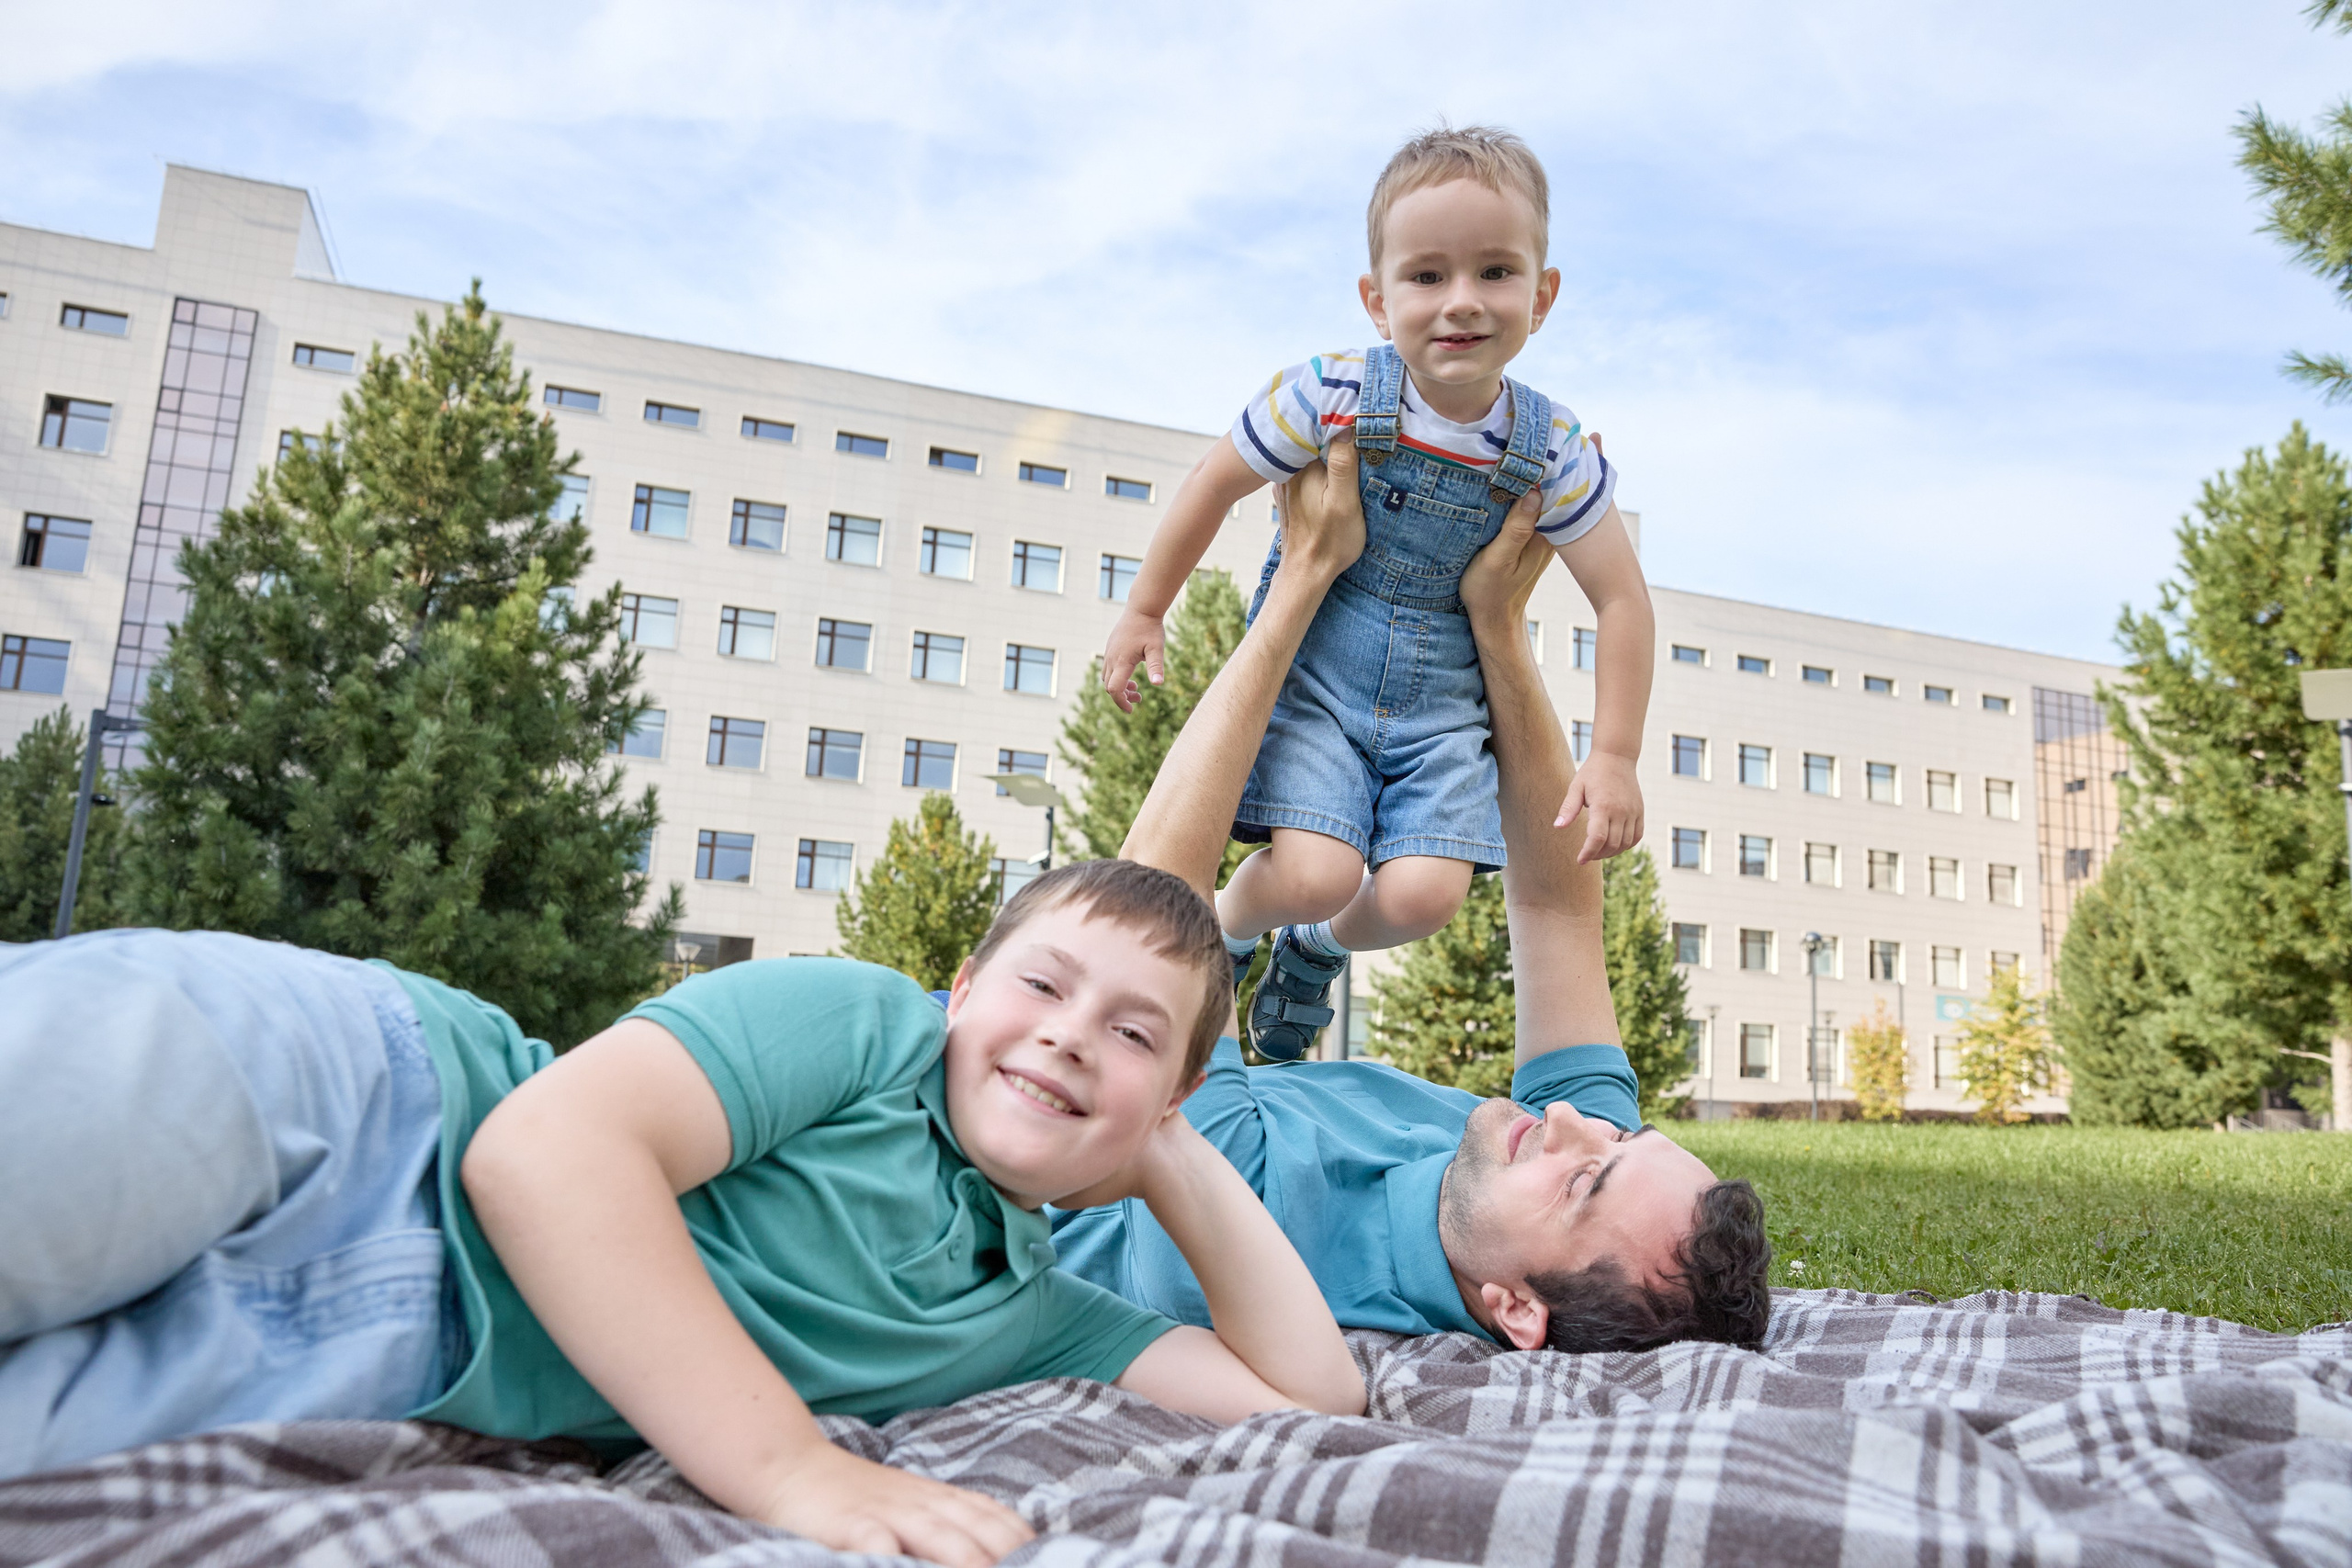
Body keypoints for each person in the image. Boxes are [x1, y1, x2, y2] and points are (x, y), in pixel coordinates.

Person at [0, 630, 1375, 1568]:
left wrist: (1167, 1144)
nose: (1071, 1036)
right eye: (1043, 986)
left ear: (1176, 1090)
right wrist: (789, 1468)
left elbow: (1309, 1395)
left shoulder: (1030, 1312)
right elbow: (545, 1151)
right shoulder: (863, 1022)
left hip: (377, 1348)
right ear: (961, 989)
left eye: (1132, 1034)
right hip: (357, 1103)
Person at [1061, 429, 1772, 1356]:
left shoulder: (1238, 1247)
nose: (1570, 1124)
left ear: (1517, 1309)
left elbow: (1152, 901)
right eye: (1620, 1141)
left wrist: (1300, 580)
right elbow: (1557, 907)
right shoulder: (1547, 1161)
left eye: (1584, 1179)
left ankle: (1250, 936)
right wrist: (1499, 622)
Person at [1099, 126, 1657, 1060]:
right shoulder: (1330, 394)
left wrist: (1615, 753)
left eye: (1495, 272)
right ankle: (1229, 927)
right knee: (1314, 873)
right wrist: (1146, 607)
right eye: (1427, 276)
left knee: (1424, 897)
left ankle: (1312, 951)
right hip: (1322, 682)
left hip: (1442, 709)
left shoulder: (1555, 449)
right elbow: (1212, 481)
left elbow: (1623, 601)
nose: (1462, 301)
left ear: (1542, 295)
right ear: (1377, 298)